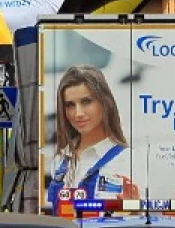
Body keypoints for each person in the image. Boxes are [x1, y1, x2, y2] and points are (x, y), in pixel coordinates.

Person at [47, 65, 139, 208]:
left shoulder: (129, 161)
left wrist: (134, 210)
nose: (78, 113)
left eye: (86, 102)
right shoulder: (59, 160)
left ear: (105, 103)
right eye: (70, 105)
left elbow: (142, 224)